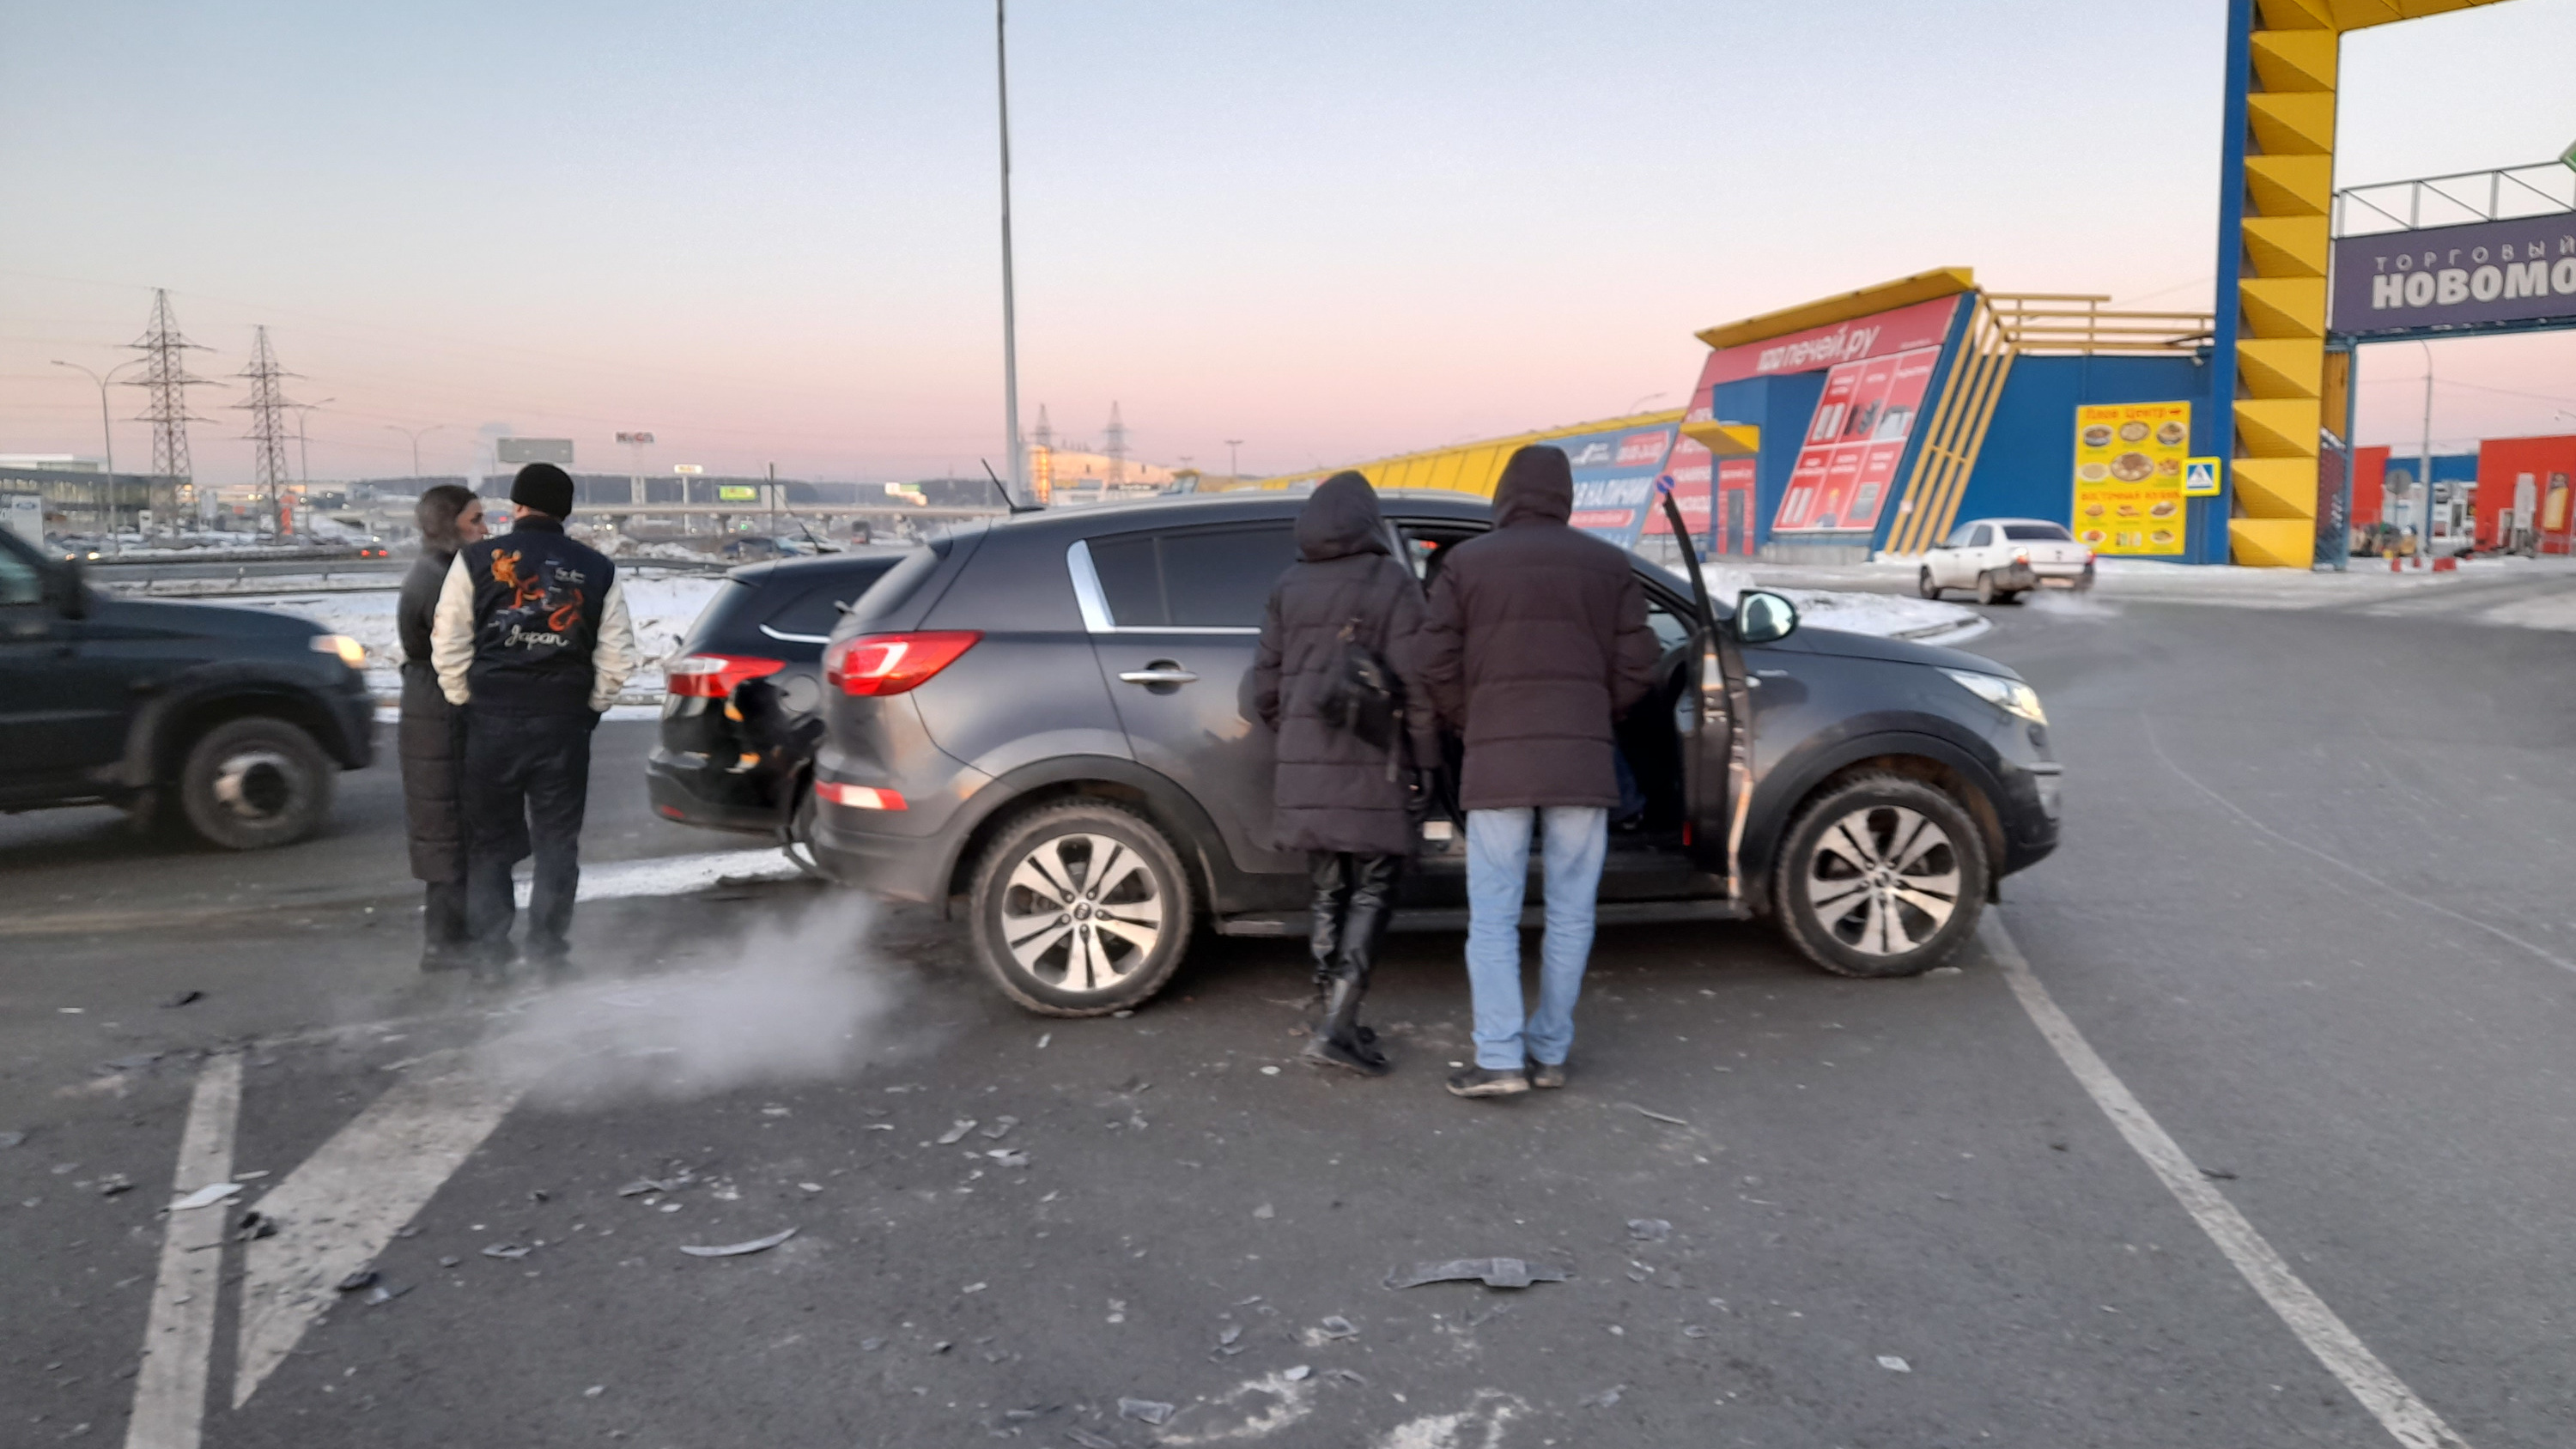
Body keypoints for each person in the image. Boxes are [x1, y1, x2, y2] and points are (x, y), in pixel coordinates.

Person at [1416, 445, 1656, 1098]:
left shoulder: (1465, 564)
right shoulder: (1609, 565)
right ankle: (1550, 1052)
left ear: (1504, 495)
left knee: (1493, 915)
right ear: (1566, 497)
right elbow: (1641, 665)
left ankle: (1499, 1059)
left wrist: (1474, 720)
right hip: (1582, 762)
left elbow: (1433, 662)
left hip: (1498, 763)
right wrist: (1589, 713)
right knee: (1572, 912)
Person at [1252, 472, 1440, 1075]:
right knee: (1375, 887)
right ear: (1368, 518)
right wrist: (1425, 761)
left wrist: (1300, 732)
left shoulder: (1288, 584)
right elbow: (1416, 685)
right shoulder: (1390, 582)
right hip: (1373, 761)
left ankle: (1331, 1014)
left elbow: (1265, 686)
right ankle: (1337, 1025)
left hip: (1306, 765)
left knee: (1329, 886)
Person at [429, 464, 637, 973]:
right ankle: (547, 952)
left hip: (491, 721)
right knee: (557, 843)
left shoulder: (477, 559)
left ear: (518, 505)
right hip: (563, 725)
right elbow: (617, 657)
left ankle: (491, 955)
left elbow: (449, 640)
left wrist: (465, 700)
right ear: (564, 510)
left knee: (490, 846)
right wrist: (591, 707)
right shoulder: (596, 567)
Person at [397, 484, 495, 970]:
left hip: (434, 709)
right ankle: (450, 946)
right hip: (444, 715)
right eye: (475, 519)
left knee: (449, 831)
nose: (485, 529)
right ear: (448, 524)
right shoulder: (441, 581)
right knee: (454, 830)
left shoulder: (438, 571)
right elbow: (471, 653)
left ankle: (450, 942)